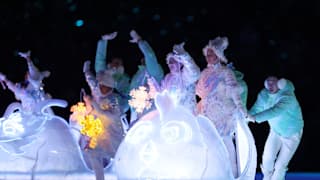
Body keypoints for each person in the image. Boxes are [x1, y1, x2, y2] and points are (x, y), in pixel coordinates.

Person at [195, 36, 250, 177]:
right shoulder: (204, 73)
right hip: (207, 114)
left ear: (218, 55)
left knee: (226, 146)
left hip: (224, 115)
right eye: (207, 55)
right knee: (209, 147)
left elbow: (233, 91)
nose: (209, 57)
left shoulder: (226, 72)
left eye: (212, 54)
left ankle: (231, 176)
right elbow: (199, 91)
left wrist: (242, 109)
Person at [249, 76, 304, 180]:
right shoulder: (264, 95)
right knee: (267, 159)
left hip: (292, 134)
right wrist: (246, 118)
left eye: (273, 82)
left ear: (280, 84)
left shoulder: (288, 97)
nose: (270, 85)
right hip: (276, 131)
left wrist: (255, 118)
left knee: (280, 166)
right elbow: (256, 108)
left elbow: (275, 111)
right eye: (268, 82)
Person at [128, 30, 164, 125]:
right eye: (143, 57)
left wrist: (140, 41)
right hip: (137, 118)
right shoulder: (137, 75)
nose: (146, 58)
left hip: (154, 115)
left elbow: (150, 55)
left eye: (146, 57)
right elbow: (130, 95)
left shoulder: (154, 71)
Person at [160, 42, 200, 113]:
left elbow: (195, 73)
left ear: (180, 63)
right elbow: (161, 94)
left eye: (174, 62)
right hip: (172, 114)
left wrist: (184, 56)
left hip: (187, 114)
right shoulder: (167, 78)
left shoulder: (185, 76)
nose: (171, 64)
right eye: (170, 62)